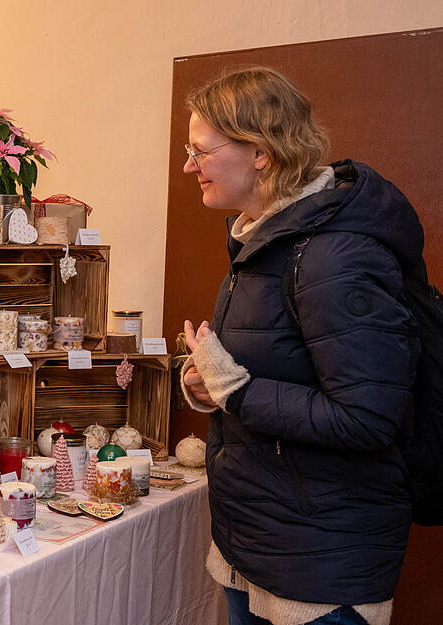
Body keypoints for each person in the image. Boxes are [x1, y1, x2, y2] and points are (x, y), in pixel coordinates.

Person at [179, 67, 422, 625]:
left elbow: (366, 419)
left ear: (260, 153)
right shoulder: (260, 238)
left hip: (319, 569)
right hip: (259, 548)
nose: (189, 166)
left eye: (200, 151)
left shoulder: (335, 258)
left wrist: (235, 389)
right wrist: (210, 384)